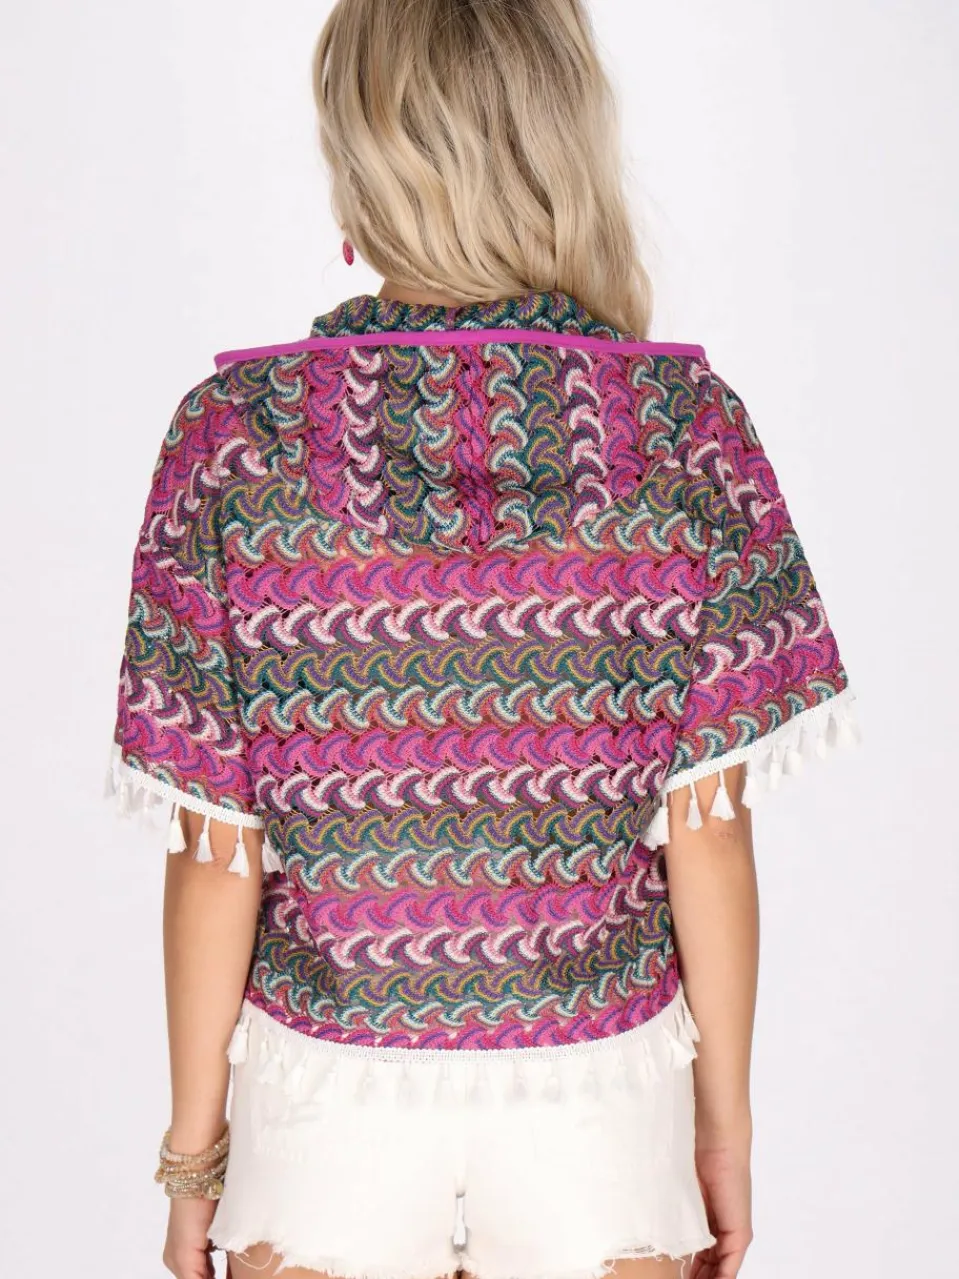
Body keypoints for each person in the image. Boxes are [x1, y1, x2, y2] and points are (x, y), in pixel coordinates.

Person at [105, 2, 858, 1278]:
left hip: (324, 1104)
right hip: (599, 1101)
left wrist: (194, 1161)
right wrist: (719, 1133)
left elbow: (216, 857)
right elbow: (708, 836)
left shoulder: (233, 436)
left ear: (360, 161)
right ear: (559, 147)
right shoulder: (684, 429)